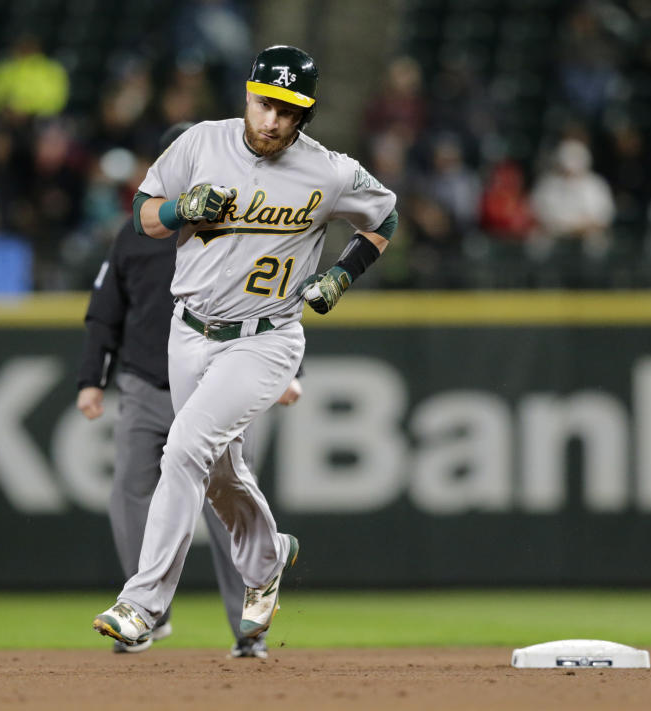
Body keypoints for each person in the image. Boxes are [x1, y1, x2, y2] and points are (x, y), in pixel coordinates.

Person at [91, 45, 397, 649]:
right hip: (189, 331)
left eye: (288, 111)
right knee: (218, 471)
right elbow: (142, 216)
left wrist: (342, 274)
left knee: (183, 449)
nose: (272, 121)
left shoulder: (329, 170)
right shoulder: (201, 143)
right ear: (247, 96)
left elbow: (383, 217)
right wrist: (181, 208)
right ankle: (268, 556)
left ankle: (142, 604)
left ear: (304, 115)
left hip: (266, 339)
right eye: (265, 105)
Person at [78, 123, 301, 658]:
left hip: (212, 381)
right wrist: (92, 378)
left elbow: (272, 304)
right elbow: (104, 314)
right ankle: (147, 615)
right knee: (130, 498)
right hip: (143, 385)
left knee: (222, 501)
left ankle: (250, 630)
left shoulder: (246, 223)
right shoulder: (138, 230)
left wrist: (287, 373)